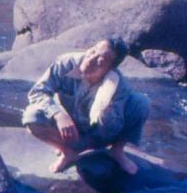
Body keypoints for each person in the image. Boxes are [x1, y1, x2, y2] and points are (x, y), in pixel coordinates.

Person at [23, 37, 150, 175]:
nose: (90, 59)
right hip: (69, 131)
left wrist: (105, 106)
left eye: (100, 61)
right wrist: (59, 114)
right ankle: (68, 152)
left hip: (98, 137)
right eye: (93, 51)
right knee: (31, 115)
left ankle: (116, 151)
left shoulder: (118, 86)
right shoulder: (66, 63)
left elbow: (108, 131)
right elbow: (37, 92)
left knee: (141, 102)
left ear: (110, 69)